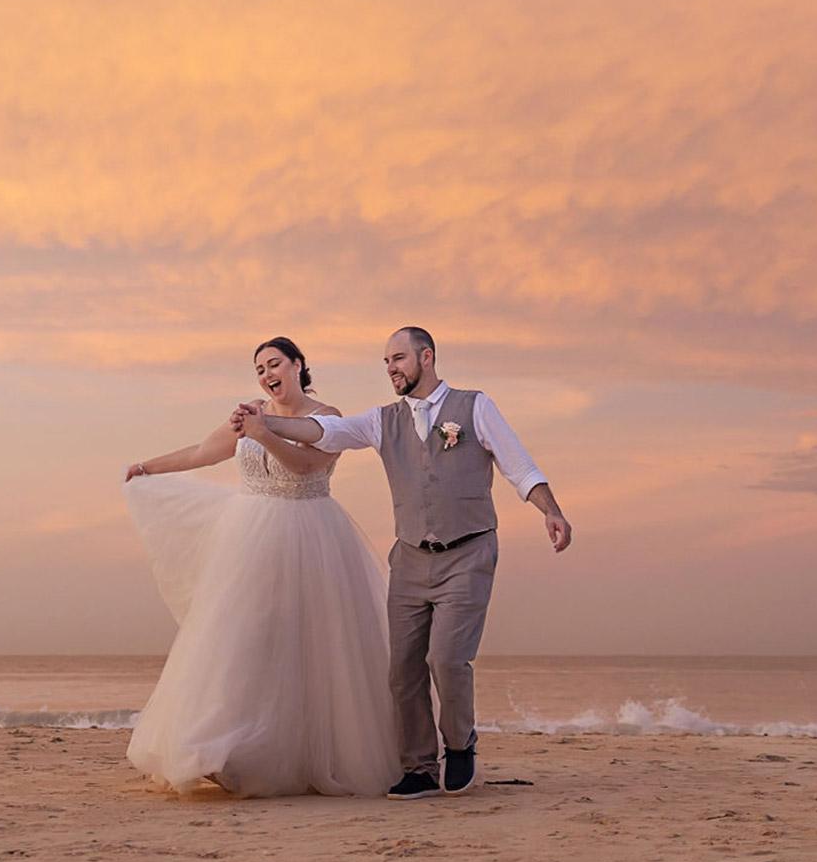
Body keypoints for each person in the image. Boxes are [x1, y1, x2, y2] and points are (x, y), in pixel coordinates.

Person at [235, 326, 571, 799]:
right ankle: (418, 768)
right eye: (385, 362)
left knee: (447, 659)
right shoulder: (381, 420)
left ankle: (459, 744)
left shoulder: (474, 407)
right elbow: (326, 431)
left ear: (426, 357)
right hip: (411, 557)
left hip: (469, 551)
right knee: (404, 670)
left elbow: (520, 466)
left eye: (398, 358)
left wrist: (551, 511)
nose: (390, 368)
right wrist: (266, 424)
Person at [121, 337, 399, 797]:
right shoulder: (249, 411)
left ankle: (296, 755)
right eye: (259, 369)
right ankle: (222, 748)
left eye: (275, 364)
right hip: (249, 536)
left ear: (298, 366)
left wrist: (264, 432)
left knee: (312, 646)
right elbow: (202, 452)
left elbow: (308, 466)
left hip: (313, 536)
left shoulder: (328, 417)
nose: (267, 374)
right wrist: (149, 467)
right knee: (239, 638)